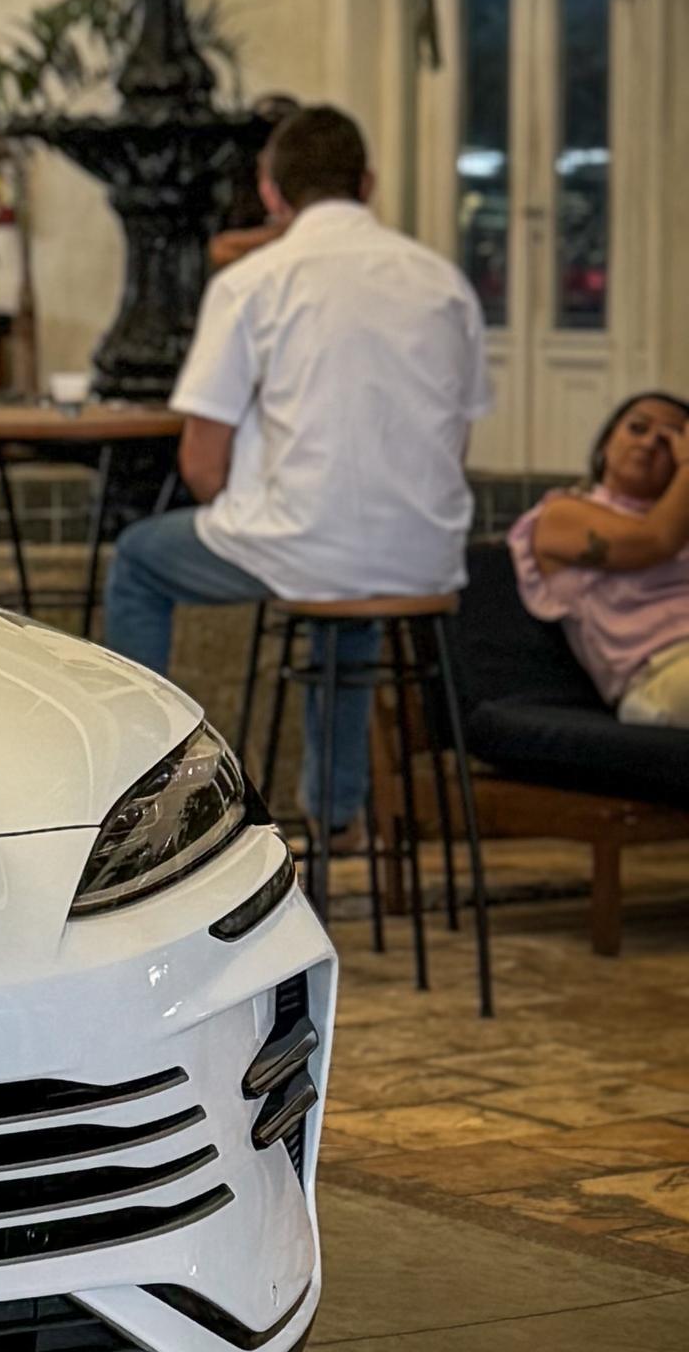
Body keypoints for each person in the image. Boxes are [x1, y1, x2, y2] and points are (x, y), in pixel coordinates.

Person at [98, 103, 488, 835]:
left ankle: (140, 795)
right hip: (425, 557)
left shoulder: (254, 282)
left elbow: (201, 462)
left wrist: (251, 512)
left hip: (307, 546)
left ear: (270, 191)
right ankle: (335, 813)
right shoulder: (443, 281)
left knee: (140, 560)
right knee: (348, 585)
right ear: (367, 184)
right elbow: (454, 445)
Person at [510, 390, 689, 722]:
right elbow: (653, 542)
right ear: (606, 443)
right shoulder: (561, 515)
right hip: (657, 673)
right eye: (638, 428)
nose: (649, 443)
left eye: (668, 441)